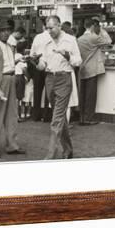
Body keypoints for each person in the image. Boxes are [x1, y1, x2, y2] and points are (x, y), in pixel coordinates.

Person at [34, 16, 82, 160]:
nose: (48, 31)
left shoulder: (70, 40)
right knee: (60, 116)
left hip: (64, 78)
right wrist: (39, 63)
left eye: (51, 28)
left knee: (56, 119)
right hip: (50, 78)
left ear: (59, 25)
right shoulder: (45, 40)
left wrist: (68, 56)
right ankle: (68, 149)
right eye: (47, 28)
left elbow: (78, 61)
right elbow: (43, 61)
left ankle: (50, 155)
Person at [0, 19, 25, 159]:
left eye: (8, 30)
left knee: (12, 115)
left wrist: (19, 60)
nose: (6, 32)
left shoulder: (9, 47)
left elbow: (8, 64)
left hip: (11, 79)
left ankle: (12, 145)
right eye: (2, 30)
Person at [77, 17, 112, 125]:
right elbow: (109, 41)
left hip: (82, 69)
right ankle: (89, 118)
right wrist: (101, 29)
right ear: (92, 26)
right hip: (92, 69)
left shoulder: (79, 39)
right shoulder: (94, 37)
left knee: (82, 95)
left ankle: (82, 117)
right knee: (91, 96)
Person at [30, 20, 51, 122]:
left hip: (38, 66)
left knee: (37, 92)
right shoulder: (53, 37)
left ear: (43, 26)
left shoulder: (37, 37)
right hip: (49, 67)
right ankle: (47, 115)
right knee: (48, 93)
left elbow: (32, 54)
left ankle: (36, 115)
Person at [61, 21, 79, 124]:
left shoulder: (70, 42)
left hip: (64, 73)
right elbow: (77, 61)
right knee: (67, 103)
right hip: (68, 73)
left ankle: (62, 126)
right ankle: (64, 125)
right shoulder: (72, 41)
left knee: (62, 103)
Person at [14, 41, 28, 121]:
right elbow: (24, 69)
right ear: (23, 50)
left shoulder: (13, 56)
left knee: (13, 97)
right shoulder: (23, 58)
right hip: (19, 77)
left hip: (13, 76)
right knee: (18, 98)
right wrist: (28, 77)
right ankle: (17, 116)